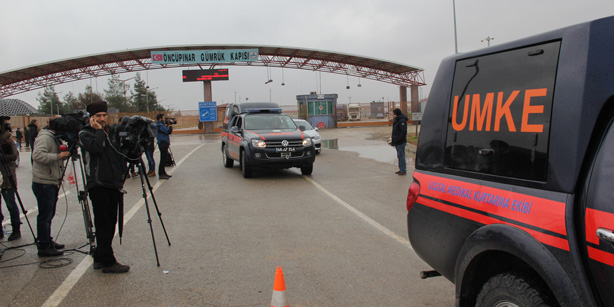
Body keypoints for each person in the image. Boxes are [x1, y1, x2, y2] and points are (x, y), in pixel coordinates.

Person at [79, 101, 130, 273]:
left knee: (111, 222)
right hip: (98, 183)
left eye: (104, 115)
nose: (102, 119)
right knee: (103, 223)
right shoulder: (85, 133)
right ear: (91, 117)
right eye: (98, 116)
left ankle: (100, 256)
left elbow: (118, 153)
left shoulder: (109, 132)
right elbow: (96, 149)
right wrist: (99, 131)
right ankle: (108, 262)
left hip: (112, 183)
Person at [32, 118, 70, 256]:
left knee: (49, 214)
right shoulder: (45, 137)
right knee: (45, 215)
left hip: (50, 181)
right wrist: (57, 156)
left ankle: (46, 240)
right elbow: (37, 155)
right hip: (43, 182)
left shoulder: (53, 137)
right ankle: (44, 246)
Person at [0, 129, 21, 241]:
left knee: (11, 204)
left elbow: (13, 156)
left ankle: (16, 229)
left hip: (7, 177)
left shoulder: (8, 138)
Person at [155, 113, 173, 180]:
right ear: (160, 119)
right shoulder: (160, 125)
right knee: (162, 159)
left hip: (162, 142)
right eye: (163, 118)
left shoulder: (159, 125)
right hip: (163, 143)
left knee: (163, 158)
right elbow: (168, 132)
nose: (164, 119)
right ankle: (161, 174)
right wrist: (170, 125)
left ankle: (163, 172)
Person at [391, 108, 408, 175]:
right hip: (398, 141)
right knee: (399, 156)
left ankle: (403, 170)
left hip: (401, 141)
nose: (393, 115)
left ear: (396, 114)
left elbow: (403, 132)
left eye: (394, 114)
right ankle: (401, 169)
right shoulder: (398, 120)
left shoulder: (401, 121)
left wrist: (398, 139)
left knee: (401, 156)